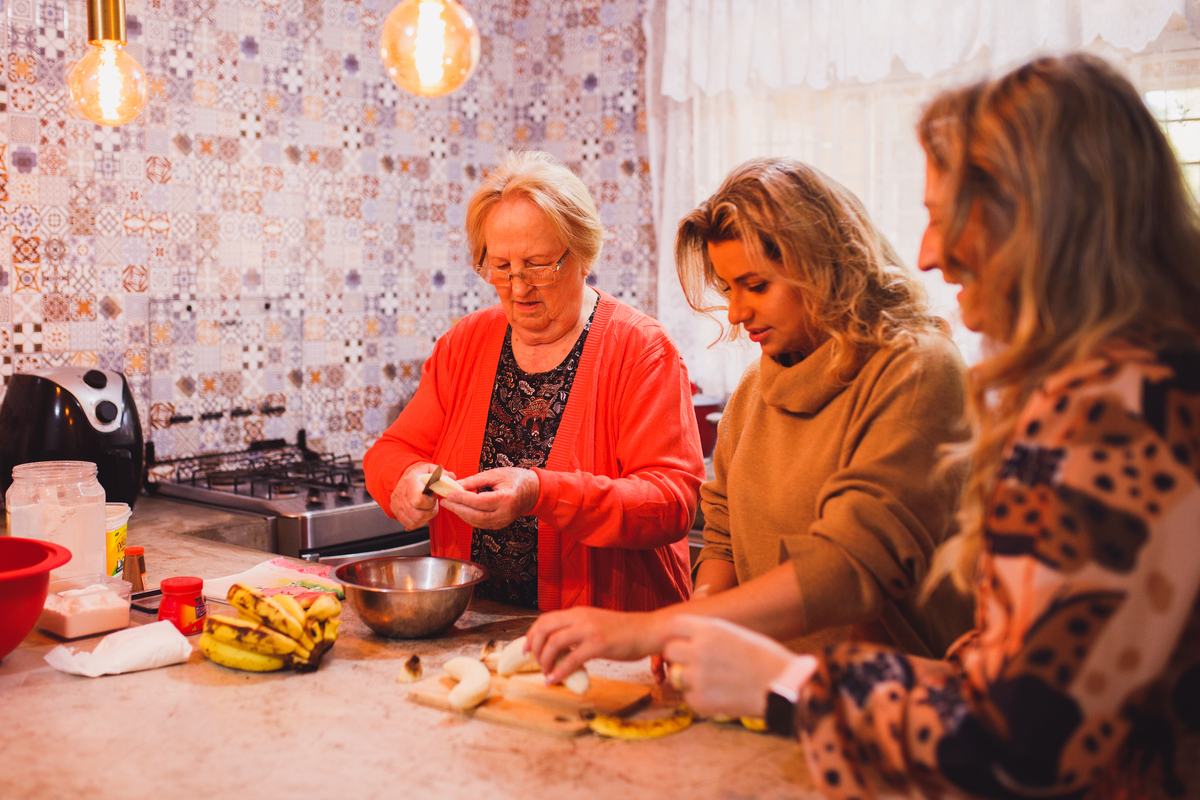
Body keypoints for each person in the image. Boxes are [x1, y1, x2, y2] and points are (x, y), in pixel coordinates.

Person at [655, 54, 1200, 799]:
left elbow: (1019, 743)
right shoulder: (1133, 381)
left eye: (946, 218)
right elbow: (1018, 659)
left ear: (1041, 214)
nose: (926, 253)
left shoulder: (1119, 411)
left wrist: (786, 680)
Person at [527, 157, 974, 682]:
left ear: (824, 265)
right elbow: (724, 538)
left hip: (891, 709)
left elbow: (850, 568)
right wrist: (704, 622)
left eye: (756, 286)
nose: (736, 312)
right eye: (728, 287)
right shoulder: (756, 389)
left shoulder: (918, 369)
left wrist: (661, 627)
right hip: (767, 693)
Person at [363, 150, 705, 612]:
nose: (518, 288)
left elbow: (670, 503)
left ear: (583, 253)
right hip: (475, 628)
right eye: (501, 267)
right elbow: (390, 452)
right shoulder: (465, 343)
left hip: (610, 639)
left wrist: (541, 493)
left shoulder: (640, 349)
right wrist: (407, 478)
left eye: (538, 265)